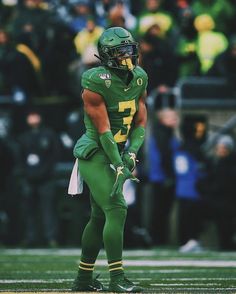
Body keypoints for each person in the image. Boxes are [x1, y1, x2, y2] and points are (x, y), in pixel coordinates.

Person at [71, 27, 148, 292]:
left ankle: (82, 280)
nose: (127, 55)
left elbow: (140, 122)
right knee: (116, 208)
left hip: (118, 149)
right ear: (107, 55)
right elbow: (104, 131)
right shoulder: (95, 79)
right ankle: (117, 279)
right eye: (120, 51)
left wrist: (132, 152)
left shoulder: (139, 77)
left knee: (99, 217)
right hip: (95, 152)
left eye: (129, 49)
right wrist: (117, 162)